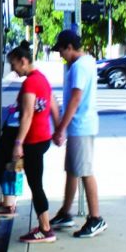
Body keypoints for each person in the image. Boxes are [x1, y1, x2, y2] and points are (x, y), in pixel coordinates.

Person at [49, 29, 107, 238]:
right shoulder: (87, 62)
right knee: (73, 170)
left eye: (61, 51)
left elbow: (75, 98)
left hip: (80, 125)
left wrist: (61, 127)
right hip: (81, 125)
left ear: (69, 47)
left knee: (84, 171)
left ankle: (95, 218)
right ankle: (65, 212)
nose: (60, 55)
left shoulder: (79, 68)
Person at [4, 43, 60, 243]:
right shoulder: (42, 79)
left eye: (14, 65)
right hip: (42, 137)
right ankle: (10, 203)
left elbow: (27, 115)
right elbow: (53, 105)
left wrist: (19, 143)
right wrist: (58, 129)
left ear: (23, 61)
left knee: (36, 184)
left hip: (33, 140)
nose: (13, 69)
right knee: (29, 177)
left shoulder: (30, 84)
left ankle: (45, 229)